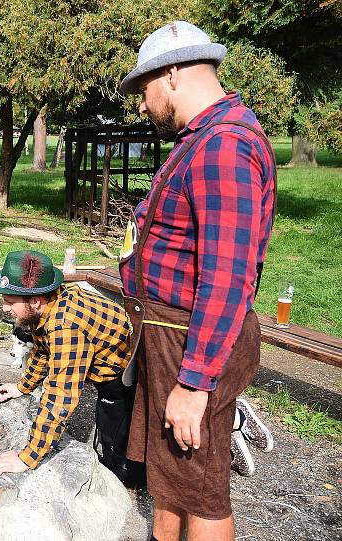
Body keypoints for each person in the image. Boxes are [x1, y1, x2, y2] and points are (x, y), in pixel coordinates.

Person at [117, 21, 277, 540]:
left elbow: (228, 277)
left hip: (192, 343)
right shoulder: (201, 140)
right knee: (171, 477)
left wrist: (194, 381)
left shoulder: (223, 148)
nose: (142, 105)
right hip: (169, 335)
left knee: (202, 488)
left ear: (173, 74)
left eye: (144, 90)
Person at [0, 250, 134, 477]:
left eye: (9, 301)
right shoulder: (47, 305)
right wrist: (22, 387)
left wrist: (28, 457)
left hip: (122, 373)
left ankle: (125, 477)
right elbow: (42, 349)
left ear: (35, 301)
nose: (4, 308)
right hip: (103, 357)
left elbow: (60, 395)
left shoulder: (66, 327)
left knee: (116, 434)